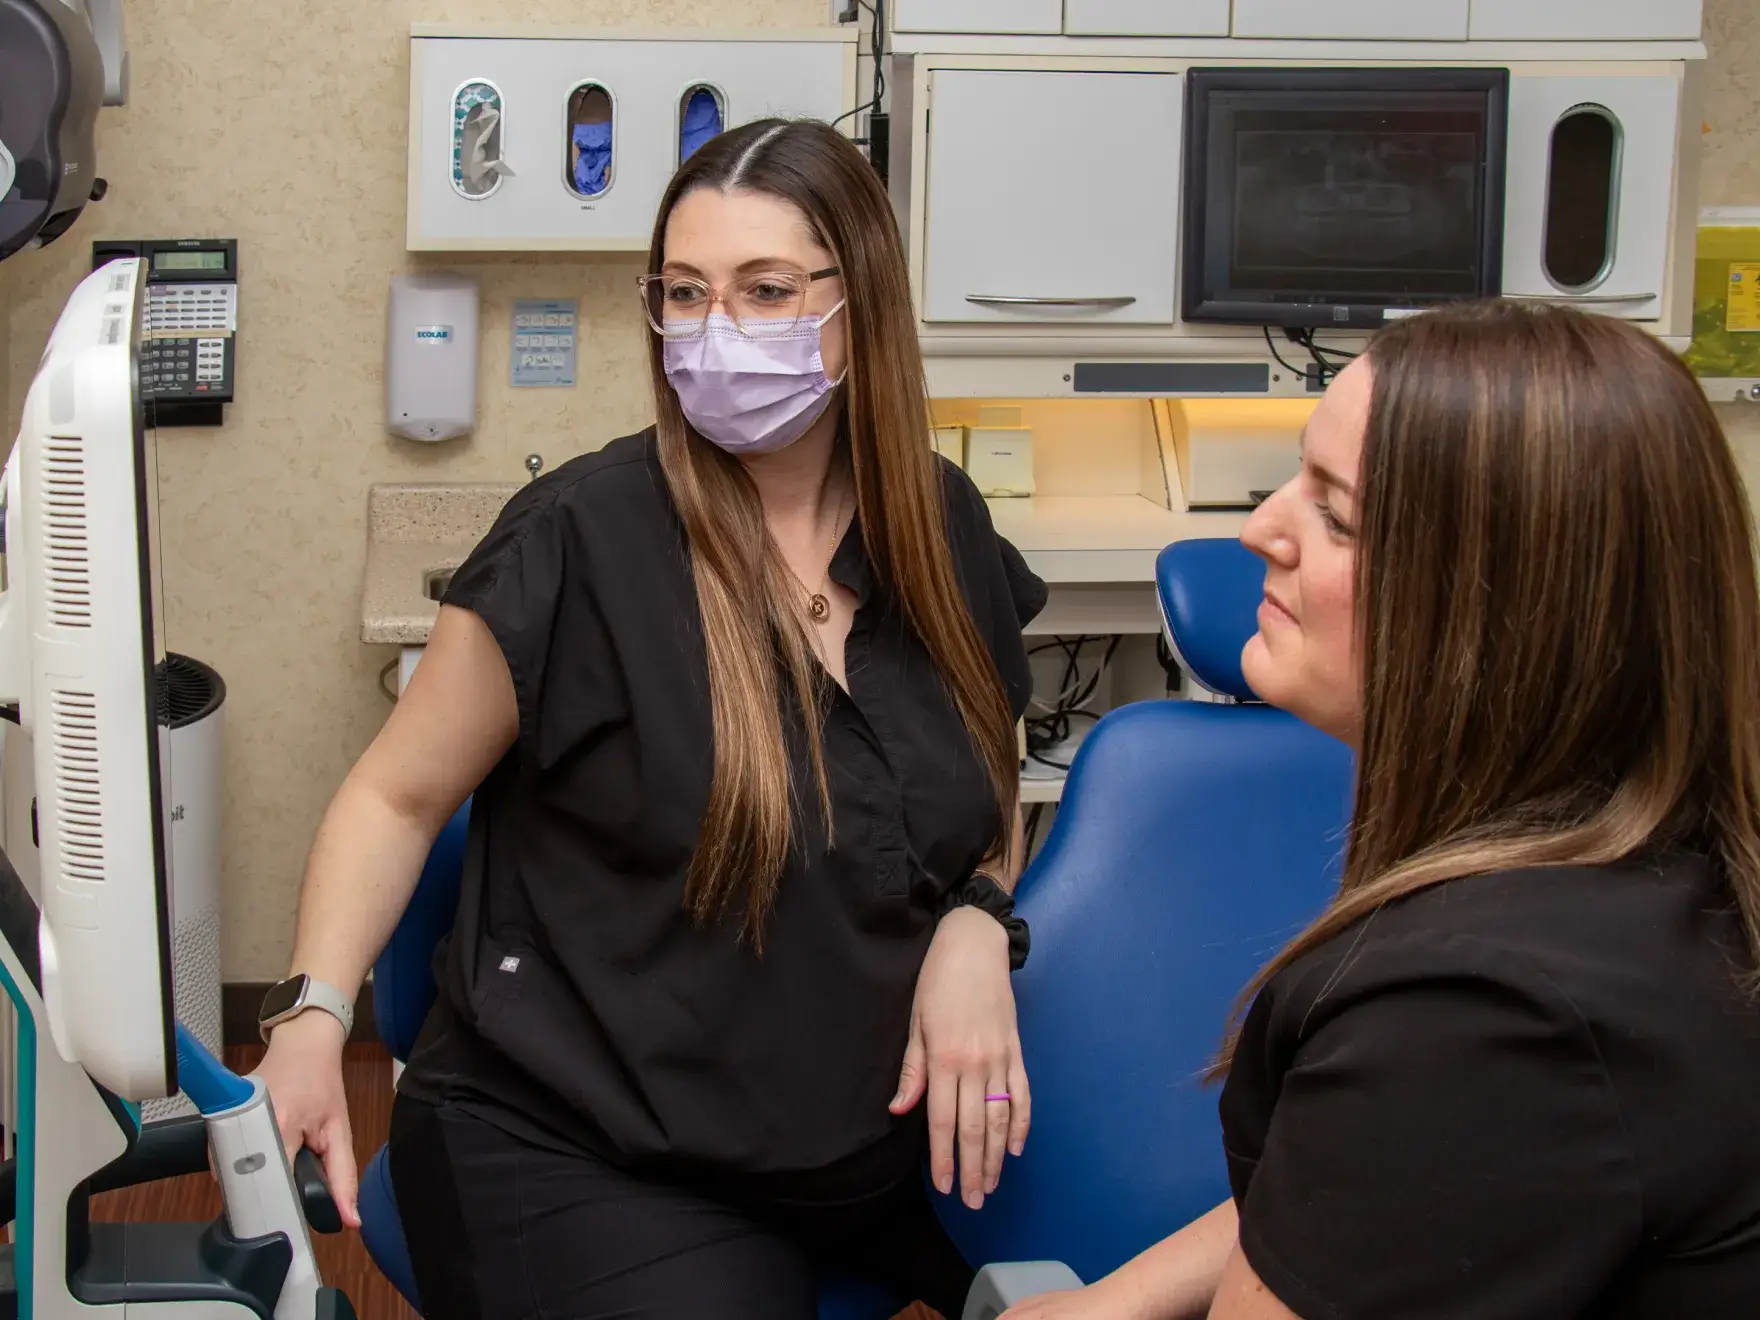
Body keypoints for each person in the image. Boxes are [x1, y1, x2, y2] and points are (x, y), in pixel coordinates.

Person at [254, 118, 1048, 1320]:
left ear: (860, 307)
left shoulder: (939, 528)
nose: (715, 331)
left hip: (861, 1126)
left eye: (764, 290)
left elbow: (987, 785)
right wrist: (312, 1016)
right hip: (583, 1140)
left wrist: (978, 927)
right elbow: (394, 794)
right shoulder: (577, 540)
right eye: (684, 294)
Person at [1007, 300, 1760, 1319]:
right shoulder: (1662, 879)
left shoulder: (1481, 1018)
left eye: (1334, 513)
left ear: (1498, 613)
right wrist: (1116, 1302)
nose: (1257, 530)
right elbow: (1390, 1191)